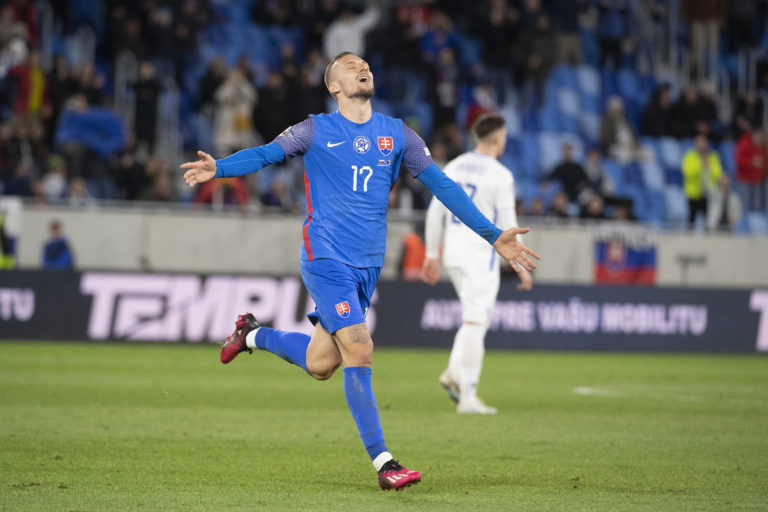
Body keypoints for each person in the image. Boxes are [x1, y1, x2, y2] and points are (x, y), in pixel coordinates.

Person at [180, 52, 540, 491]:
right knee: (359, 350)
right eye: (349, 65)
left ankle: (250, 333)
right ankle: (386, 464)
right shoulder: (315, 128)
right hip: (324, 255)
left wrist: (491, 232)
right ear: (334, 86)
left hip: (367, 264)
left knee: (320, 363)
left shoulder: (398, 133)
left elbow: (441, 185)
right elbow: (266, 153)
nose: (361, 67)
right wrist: (220, 168)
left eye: (365, 63)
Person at [421, 113, 533, 415]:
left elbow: (435, 214)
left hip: (452, 252)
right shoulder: (500, 174)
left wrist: (431, 254)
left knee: (474, 318)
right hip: (478, 254)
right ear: (498, 138)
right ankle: (466, 394)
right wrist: (520, 266)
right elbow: (509, 225)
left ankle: (455, 371)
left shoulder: (454, 165)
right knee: (476, 320)